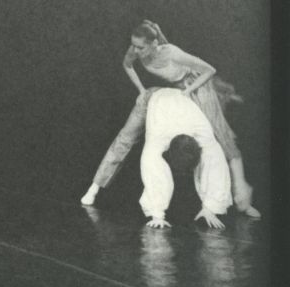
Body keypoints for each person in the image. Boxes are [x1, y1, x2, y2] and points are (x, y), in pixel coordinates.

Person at [80, 20, 260, 218]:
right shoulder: (135, 50)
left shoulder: (171, 52)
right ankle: (95, 186)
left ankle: (243, 199)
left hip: (198, 87)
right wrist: (141, 90)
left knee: (221, 138)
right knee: (126, 137)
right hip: (178, 90)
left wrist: (189, 91)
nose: (135, 50)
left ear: (153, 44)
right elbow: (127, 64)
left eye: (140, 47)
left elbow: (209, 70)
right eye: (133, 45)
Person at [139, 88, 232, 229]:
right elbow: (153, 172)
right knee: (134, 146)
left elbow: (217, 166)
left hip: (183, 101)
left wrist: (210, 208)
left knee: (213, 154)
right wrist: (157, 215)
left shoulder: (202, 131)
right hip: (158, 97)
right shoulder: (157, 136)